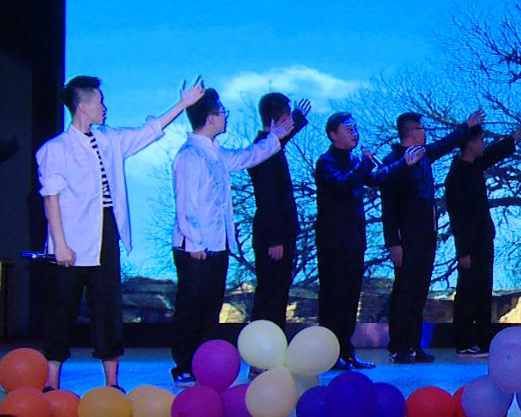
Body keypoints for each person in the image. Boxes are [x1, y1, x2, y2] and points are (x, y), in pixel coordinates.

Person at [36, 75, 205, 390]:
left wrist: (182, 104)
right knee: (62, 309)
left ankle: (112, 383)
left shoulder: (109, 139)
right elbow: (51, 198)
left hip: (105, 232)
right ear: (83, 106)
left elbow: (148, 132)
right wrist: (60, 243)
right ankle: (51, 382)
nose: (104, 107)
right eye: (99, 102)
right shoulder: (56, 149)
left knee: (108, 308)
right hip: (70, 237)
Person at [169, 89, 291, 384]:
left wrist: (274, 137)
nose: (226, 117)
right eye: (222, 112)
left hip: (217, 244)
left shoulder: (216, 152)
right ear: (210, 117)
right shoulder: (190, 155)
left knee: (210, 308)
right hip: (195, 248)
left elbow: (247, 156)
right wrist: (195, 243)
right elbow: (185, 204)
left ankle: (202, 364)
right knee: (191, 306)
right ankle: (183, 365)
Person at [315, 112, 419, 370]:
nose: (355, 134)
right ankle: (328, 354)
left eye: (355, 128)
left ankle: (347, 351)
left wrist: (403, 163)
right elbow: (341, 185)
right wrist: (363, 165)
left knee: (351, 298)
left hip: (354, 241)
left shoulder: (354, 161)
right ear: (333, 134)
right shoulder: (326, 162)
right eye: (349, 129)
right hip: (333, 243)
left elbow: (377, 177)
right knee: (334, 299)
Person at [380, 109, 484, 364]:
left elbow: (446, 144)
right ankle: (398, 345)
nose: (425, 132)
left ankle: (414, 344)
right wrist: (393, 242)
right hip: (406, 237)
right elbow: (388, 207)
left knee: (419, 290)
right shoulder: (393, 162)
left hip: (427, 234)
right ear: (410, 132)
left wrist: (467, 126)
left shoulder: (424, 156)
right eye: (421, 128)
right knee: (404, 290)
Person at [444, 123, 521, 357]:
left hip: (483, 238)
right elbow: (457, 216)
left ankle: (482, 339)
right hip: (469, 243)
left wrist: (512, 138)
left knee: (483, 290)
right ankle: (464, 341)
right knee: (468, 291)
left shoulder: (475, 166)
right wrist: (463, 251)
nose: (483, 144)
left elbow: (492, 154)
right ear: (470, 143)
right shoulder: (457, 175)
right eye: (480, 140)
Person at [247, 93, 311, 330]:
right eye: (288, 116)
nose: (291, 121)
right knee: (270, 294)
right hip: (272, 237)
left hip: (281, 233)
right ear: (278, 119)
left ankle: (273, 343)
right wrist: (274, 239)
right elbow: (267, 199)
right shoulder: (262, 151)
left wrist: (299, 117)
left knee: (278, 292)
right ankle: (261, 345)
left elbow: (281, 139)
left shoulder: (270, 146)